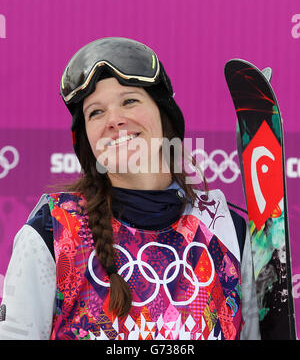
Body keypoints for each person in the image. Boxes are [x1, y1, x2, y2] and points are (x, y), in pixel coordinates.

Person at [0, 37, 260, 340]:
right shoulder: (54, 230)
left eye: (129, 101)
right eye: (95, 112)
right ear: (87, 138)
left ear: (163, 116)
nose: (114, 120)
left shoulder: (227, 231)